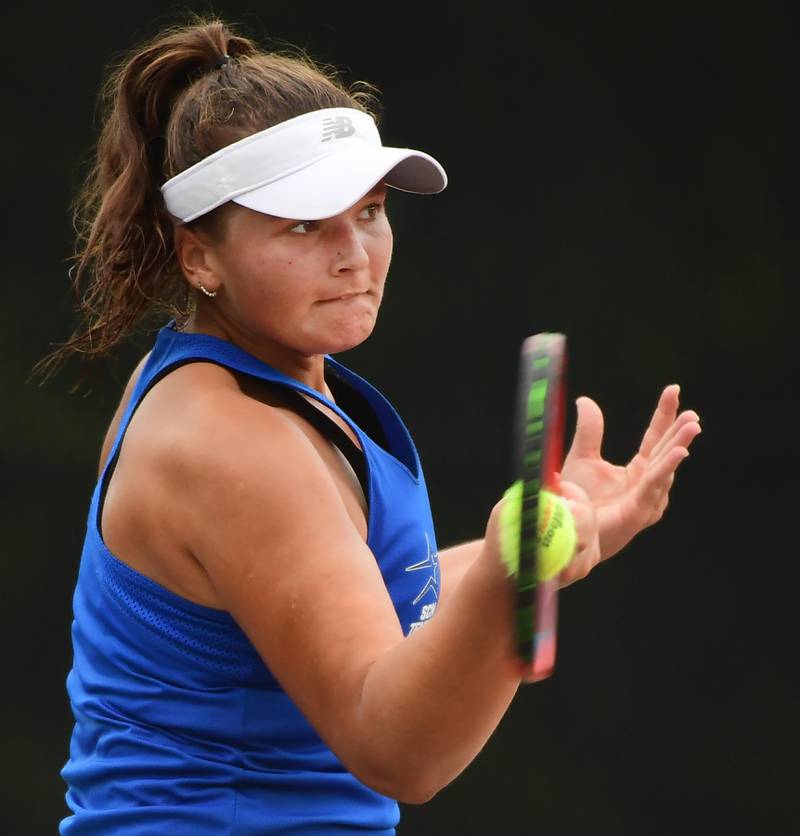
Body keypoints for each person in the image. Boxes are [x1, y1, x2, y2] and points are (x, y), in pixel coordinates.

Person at [49, 16, 701, 835]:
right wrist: (507, 577)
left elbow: (376, 597)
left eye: (370, 211)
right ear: (198, 257)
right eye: (302, 225)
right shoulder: (230, 442)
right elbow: (398, 752)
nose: (354, 253)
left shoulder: (250, 384)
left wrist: (553, 544)